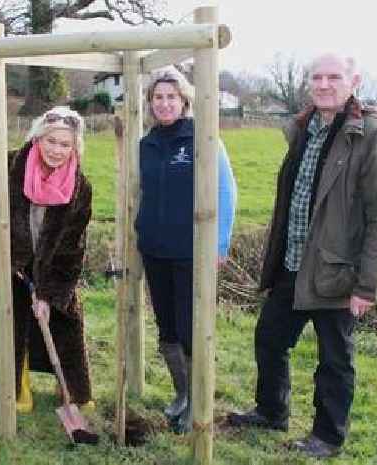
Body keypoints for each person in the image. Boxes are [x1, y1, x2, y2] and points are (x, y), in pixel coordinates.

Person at [228, 53, 377, 458]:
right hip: (292, 264)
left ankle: (328, 435)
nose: (324, 84)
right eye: (316, 77)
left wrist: (367, 286)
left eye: (333, 77)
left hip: (337, 272)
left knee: (334, 361)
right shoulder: (305, 128)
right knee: (269, 339)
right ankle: (271, 412)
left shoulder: (370, 134)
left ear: (353, 80)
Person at [0, 106, 94, 414]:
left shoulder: (81, 186)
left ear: (74, 148)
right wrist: (4, 258)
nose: (57, 150)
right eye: (51, 141)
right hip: (10, 263)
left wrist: (49, 294)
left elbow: (72, 246)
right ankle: (16, 388)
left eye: (65, 145)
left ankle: (72, 389)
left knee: (66, 318)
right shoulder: (7, 167)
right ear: (39, 137)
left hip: (52, 266)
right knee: (12, 323)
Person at [136, 67, 237, 434]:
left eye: (171, 97)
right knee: (166, 329)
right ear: (150, 103)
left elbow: (226, 191)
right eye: (158, 98)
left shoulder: (203, 139)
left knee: (190, 328)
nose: (164, 104)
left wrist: (219, 244)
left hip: (190, 251)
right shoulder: (145, 144)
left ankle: (197, 399)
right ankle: (181, 393)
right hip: (154, 249)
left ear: (185, 101)